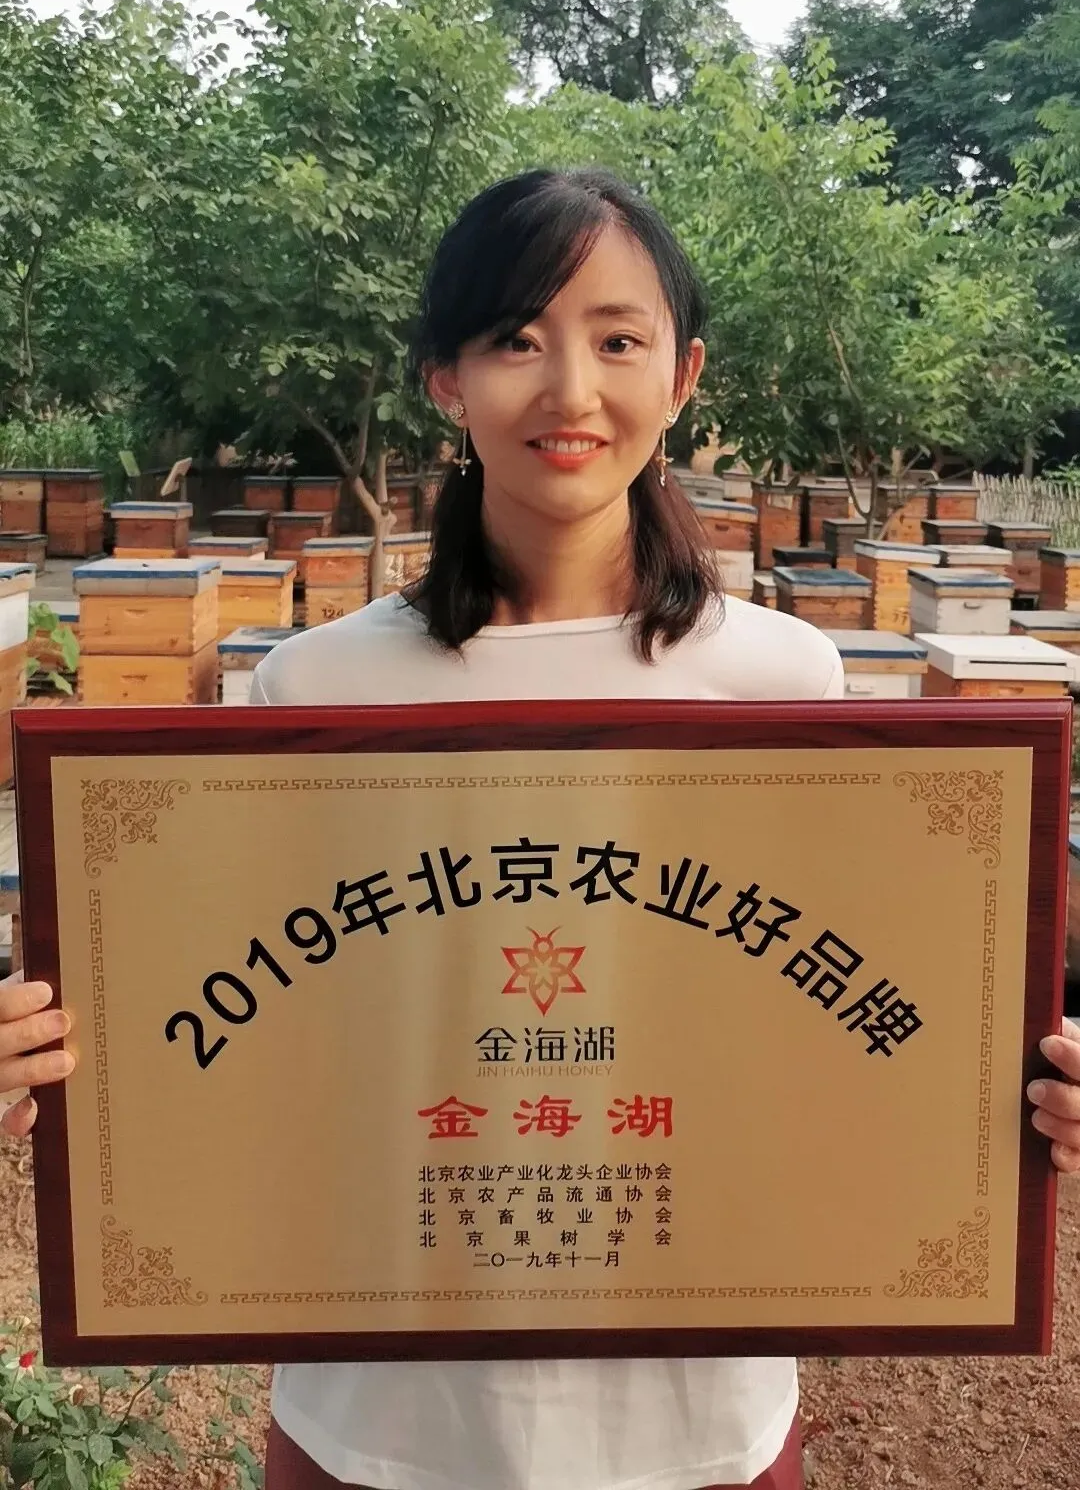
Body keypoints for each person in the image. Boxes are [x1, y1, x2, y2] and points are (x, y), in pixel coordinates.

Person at [2, 168, 1080, 1490]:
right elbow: (243, 1020)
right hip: (381, 1422)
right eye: (517, 338)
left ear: (683, 377)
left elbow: (852, 1016)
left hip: (695, 1422)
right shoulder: (318, 689)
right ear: (445, 382)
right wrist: (69, 1051)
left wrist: (1017, 1084)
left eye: (618, 340)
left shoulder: (785, 683)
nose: (571, 390)